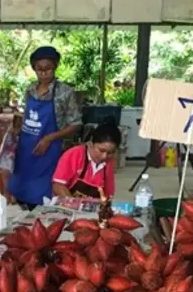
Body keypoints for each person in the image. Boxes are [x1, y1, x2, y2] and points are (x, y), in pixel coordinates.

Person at [7, 46, 83, 208]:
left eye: (48, 69)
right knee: (22, 185)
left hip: (50, 149)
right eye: (39, 69)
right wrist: (17, 130)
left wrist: (49, 138)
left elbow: (75, 123)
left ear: (55, 66)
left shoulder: (65, 92)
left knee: (44, 192)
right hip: (26, 147)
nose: (43, 73)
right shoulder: (30, 90)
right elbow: (27, 117)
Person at [52, 119, 121, 199]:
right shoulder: (74, 154)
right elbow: (58, 186)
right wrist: (73, 204)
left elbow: (108, 195)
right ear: (91, 143)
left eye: (110, 152)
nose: (104, 156)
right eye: (101, 150)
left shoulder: (108, 163)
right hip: (67, 207)